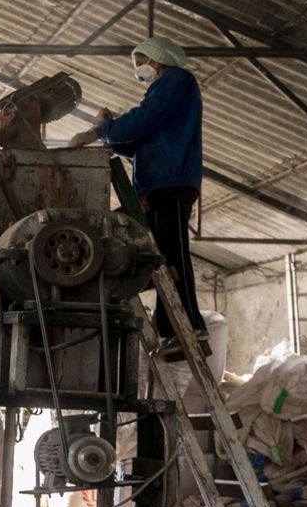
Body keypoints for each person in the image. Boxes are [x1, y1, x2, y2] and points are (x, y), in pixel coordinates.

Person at [69, 36, 208, 349]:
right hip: (157, 184)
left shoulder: (177, 80)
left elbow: (143, 119)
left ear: (158, 59)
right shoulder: (165, 96)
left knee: (172, 254)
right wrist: (107, 131)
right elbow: (133, 142)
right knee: (162, 258)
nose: (139, 70)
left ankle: (189, 323)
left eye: (141, 62)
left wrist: (100, 131)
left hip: (170, 182)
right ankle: (171, 327)